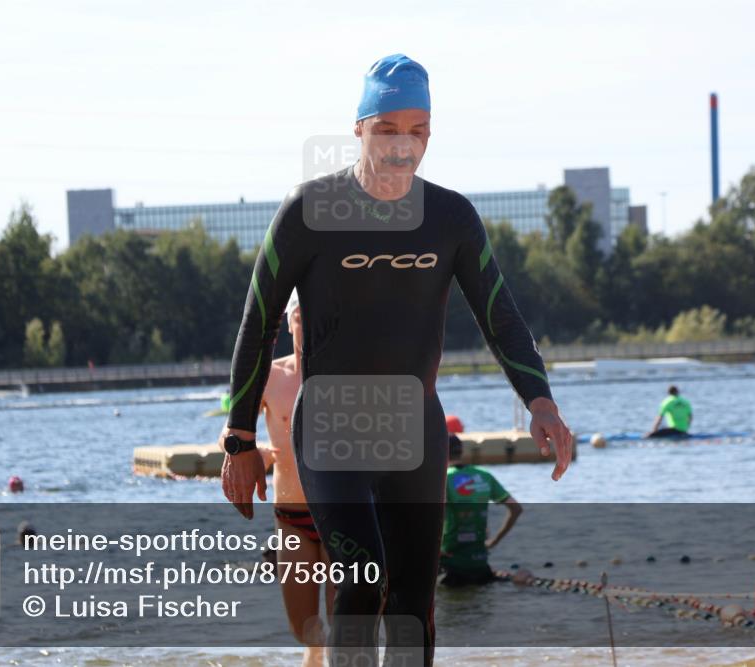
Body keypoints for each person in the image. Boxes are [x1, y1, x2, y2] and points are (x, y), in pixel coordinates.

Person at [218, 53, 573, 666]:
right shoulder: (307, 212)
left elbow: (500, 315)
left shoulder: (450, 218)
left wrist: (540, 401)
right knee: (362, 580)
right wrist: (238, 437)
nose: (402, 146)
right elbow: (259, 321)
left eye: (418, 130)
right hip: (330, 427)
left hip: (415, 428)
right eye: (386, 129)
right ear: (358, 127)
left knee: (413, 602)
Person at [259, 289, 336, 667]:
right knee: (303, 627)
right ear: (289, 323)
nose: (308, 326)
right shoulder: (270, 376)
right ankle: (315, 654)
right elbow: (230, 432)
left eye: (315, 317)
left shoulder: (345, 372)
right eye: (301, 318)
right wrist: (248, 450)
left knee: (345, 625)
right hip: (292, 518)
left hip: (341, 512)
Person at [438, 431, 522, 587]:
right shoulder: (484, 475)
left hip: (450, 563)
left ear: (440, 452)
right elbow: (516, 509)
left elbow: (436, 516)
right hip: (480, 562)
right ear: (461, 451)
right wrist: (494, 541)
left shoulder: (443, 478)